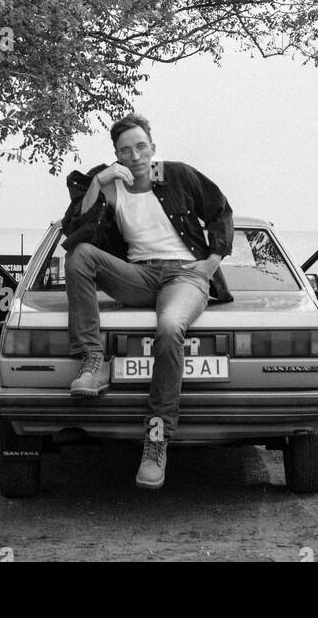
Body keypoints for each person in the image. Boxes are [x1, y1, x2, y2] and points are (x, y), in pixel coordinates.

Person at [62, 113, 234, 490]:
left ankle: (156, 440)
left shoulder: (178, 175)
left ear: (152, 147)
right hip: (138, 275)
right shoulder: (111, 185)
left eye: (141, 147)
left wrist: (210, 263)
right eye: (126, 150)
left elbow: (220, 211)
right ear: (117, 155)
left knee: (170, 326)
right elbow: (75, 228)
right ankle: (93, 361)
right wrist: (99, 181)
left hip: (184, 276)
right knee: (80, 255)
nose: (135, 156)